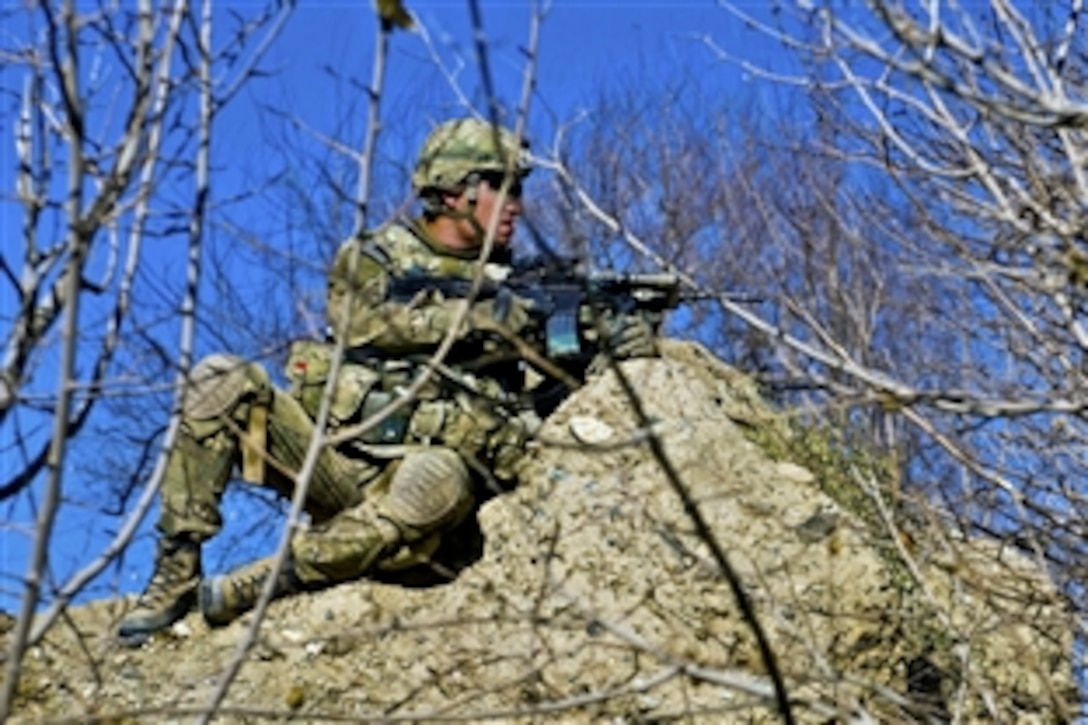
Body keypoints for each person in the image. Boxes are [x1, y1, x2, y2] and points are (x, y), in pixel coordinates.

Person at [117, 117, 658, 646]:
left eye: (519, 188)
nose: (516, 202)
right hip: (334, 465)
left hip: (431, 493)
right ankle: (176, 571)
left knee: (437, 479)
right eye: (502, 186)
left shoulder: (526, 287)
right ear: (454, 192)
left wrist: (615, 335)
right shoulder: (375, 258)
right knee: (221, 380)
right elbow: (364, 322)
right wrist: (484, 320)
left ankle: (258, 581)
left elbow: (576, 387)